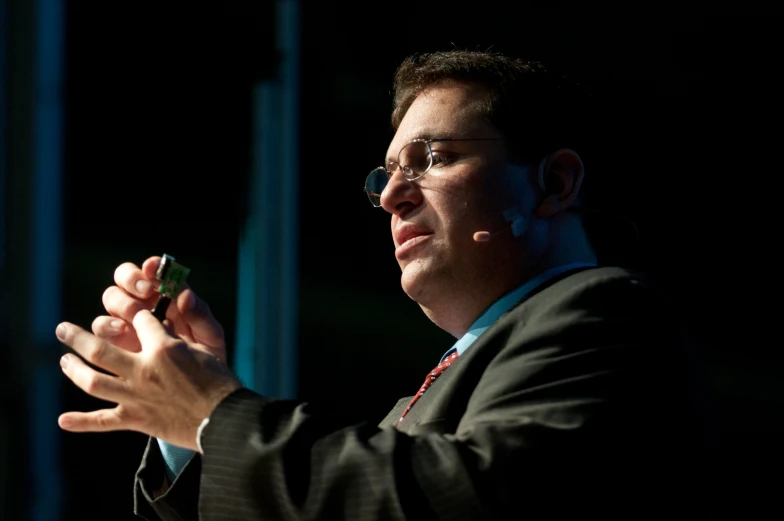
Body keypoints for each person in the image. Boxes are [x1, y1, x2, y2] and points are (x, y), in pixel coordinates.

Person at [56, 50, 708, 520]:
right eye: (386, 174)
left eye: (433, 159)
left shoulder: (607, 315)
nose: (393, 195)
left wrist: (214, 413)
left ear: (556, 182)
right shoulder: (423, 399)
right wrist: (185, 431)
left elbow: (452, 500)